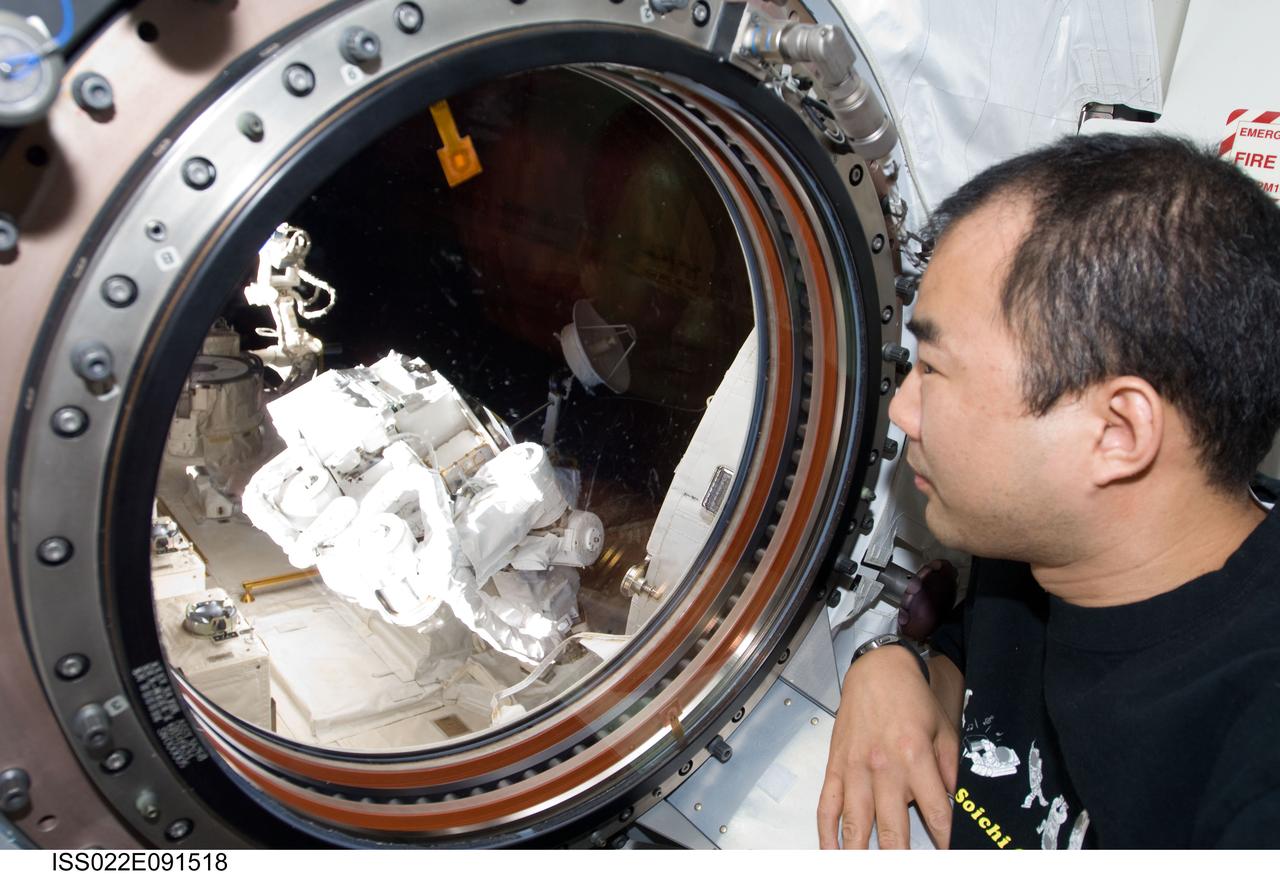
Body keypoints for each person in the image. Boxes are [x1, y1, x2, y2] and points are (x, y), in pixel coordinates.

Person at [817, 133, 1280, 849]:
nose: (904, 411)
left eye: (934, 369)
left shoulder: (1252, 762)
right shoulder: (1044, 549)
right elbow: (969, 660)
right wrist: (892, 665)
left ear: (1117, 432)